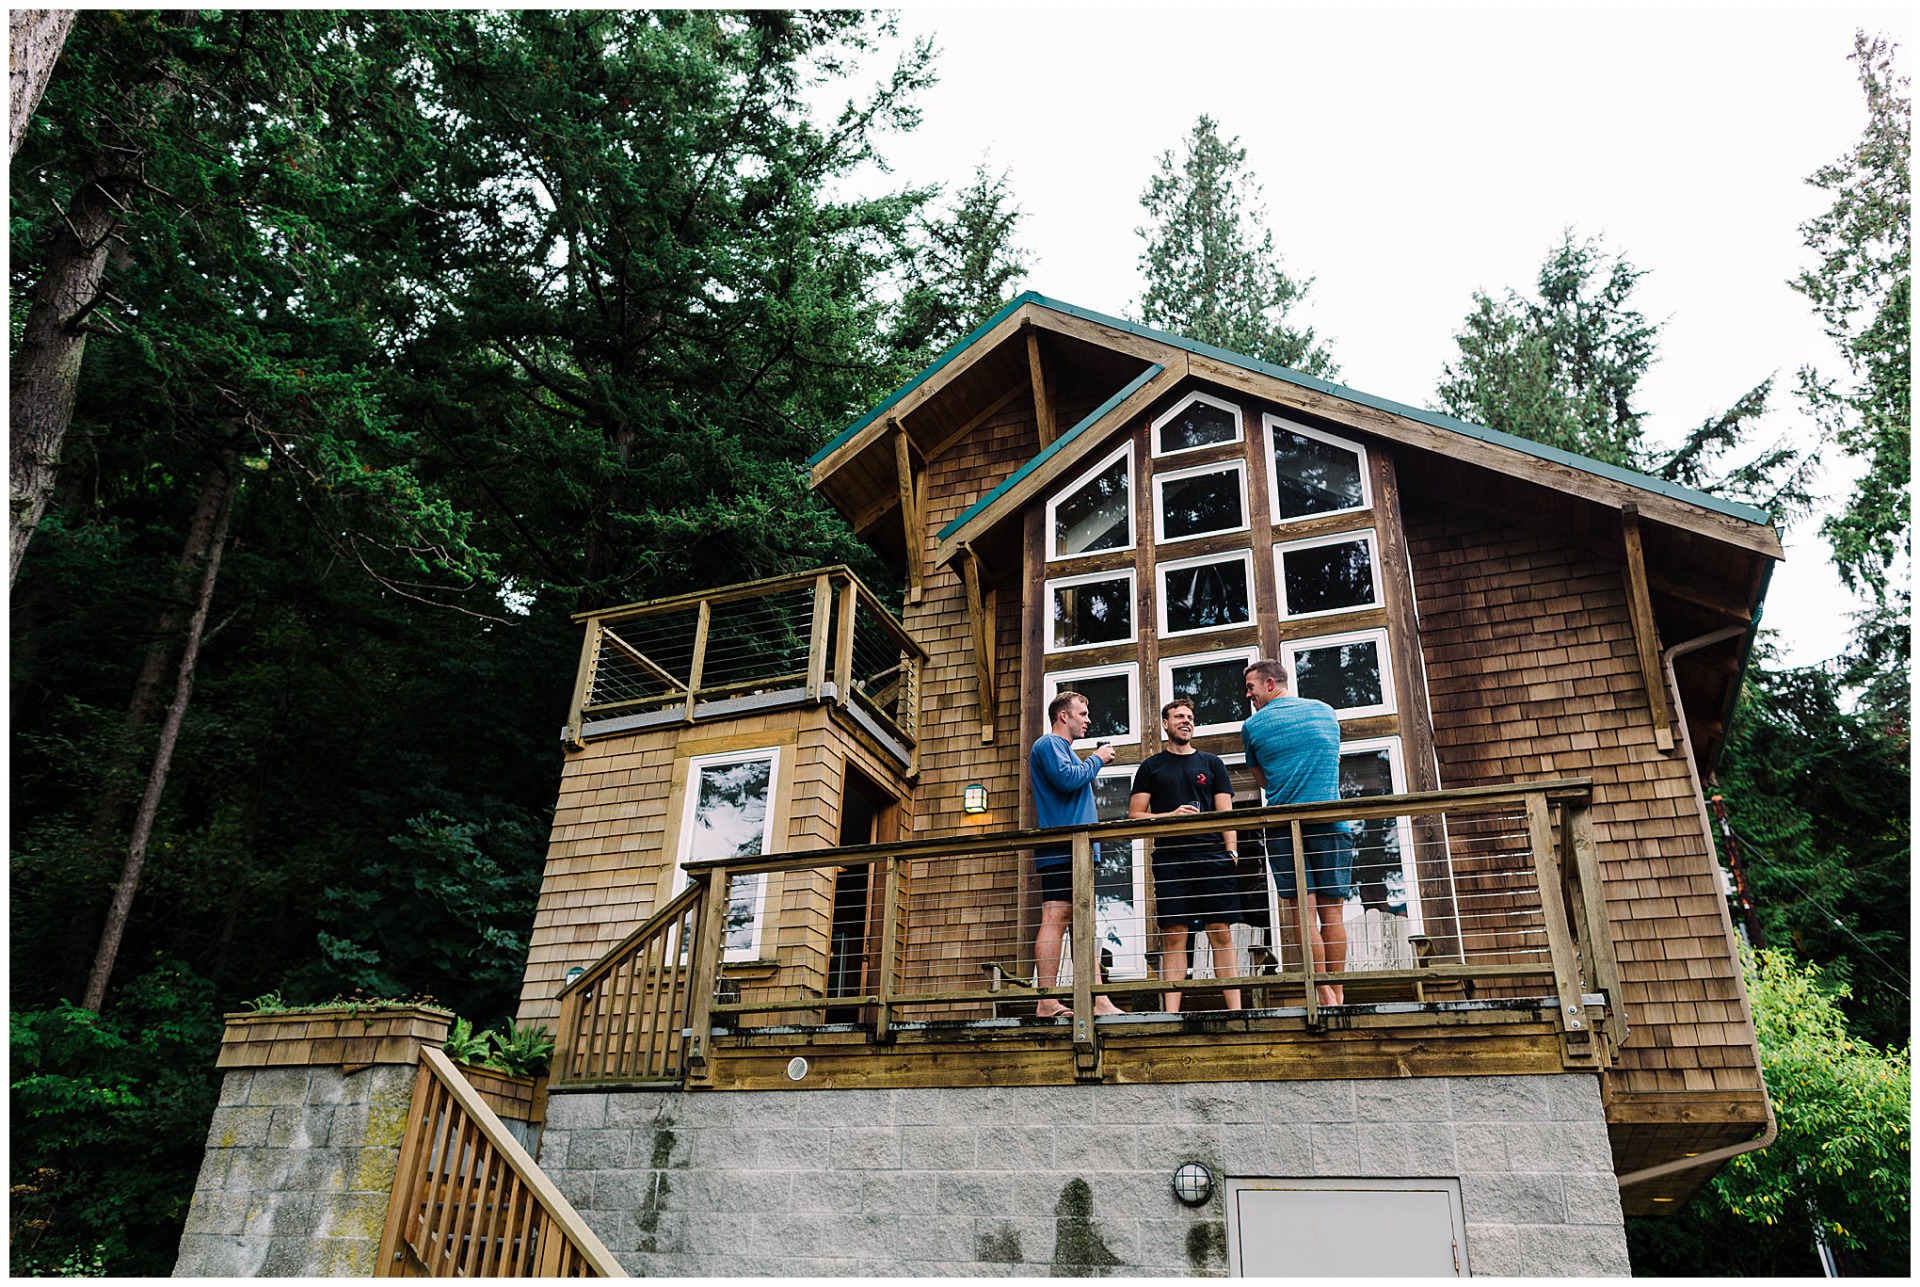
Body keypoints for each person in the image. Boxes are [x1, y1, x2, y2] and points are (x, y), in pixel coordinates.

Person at [1242, 659, 1352, 1006]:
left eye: (1252, 688)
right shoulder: (1325, 711)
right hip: (1331, 820)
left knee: (1303, 912)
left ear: (1270, 684)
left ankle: (1321, 992)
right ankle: (1339, 991)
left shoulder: (1253, 726)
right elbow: (1332, 761)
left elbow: (1264, 780)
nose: (1249, 696)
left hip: (1285, 829)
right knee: (1333, 911)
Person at [1129, 698, 1242, 1013]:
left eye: (1190, 717)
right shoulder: (1151, 767)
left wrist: (1231, 849)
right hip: (1170, 858)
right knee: (1175, 935)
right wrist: (1171, 815)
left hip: (1212, 854)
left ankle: (1236, 1011)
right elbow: (1135, 815)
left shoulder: (1212, 763)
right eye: (1178, 716)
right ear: (1165, 724)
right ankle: (1171, 1014)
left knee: (1220, 931)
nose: (1186, 721)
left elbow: (1226, 813)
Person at [1028, 691, 1124, 1019]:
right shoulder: (1048, 745)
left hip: (1075, 850)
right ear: (1063, 716)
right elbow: (1068, 780)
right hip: (1063, 849)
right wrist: (1097, 758)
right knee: (1056, 918)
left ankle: (1098, 999)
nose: (1088, 720)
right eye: (1082, 713)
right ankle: (1047, 1000)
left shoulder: (1062, 750)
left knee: (1080, 921)